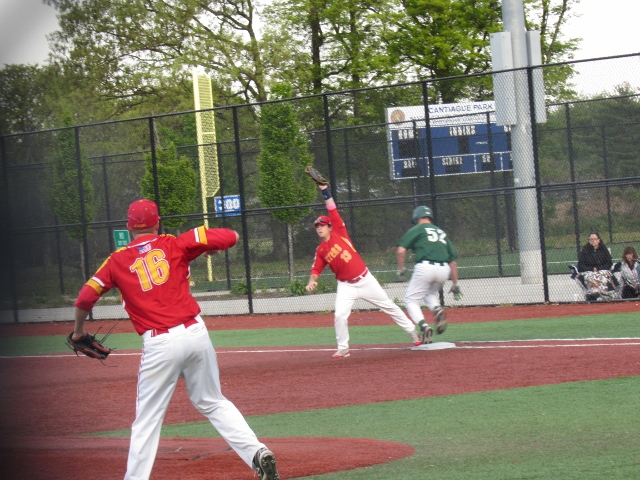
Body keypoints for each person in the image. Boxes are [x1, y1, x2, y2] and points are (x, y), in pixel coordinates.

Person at [71, 199, 280, 480]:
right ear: (158, 223)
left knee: (147, 421)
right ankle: (256, 452)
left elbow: (85, 297)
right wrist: (207, 246)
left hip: (160, 343)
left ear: (128, 227)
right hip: (196, 333)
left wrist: (78, 331)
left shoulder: (117, 260)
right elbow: (231, 236)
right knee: (212, 401)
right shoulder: (175, 243)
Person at [305, 184, 422, 358]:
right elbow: (316, 268)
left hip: (365, 280)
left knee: (389, 306)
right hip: (346, 286)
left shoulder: (339, 231)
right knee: (340, 316)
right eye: (317, 226)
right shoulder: (321, 250)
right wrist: (312, 280)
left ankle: (414, 333)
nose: (319, 228)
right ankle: (343, 348)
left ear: (330, 226)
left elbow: (332, 208)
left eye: (322, 225)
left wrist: (324, 190)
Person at [396, 206, 460, 343]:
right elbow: (453, 263)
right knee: (428, 294)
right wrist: (455, 284)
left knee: (410, 300)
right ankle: (437, 310)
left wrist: (401, 269)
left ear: (417, 217)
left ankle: (424, 327)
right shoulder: (441, 232)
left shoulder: (418, 229)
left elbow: (401, 250)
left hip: (425, 267)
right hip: (444, 270)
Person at [569, 232, 616, 301]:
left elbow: (609, 263)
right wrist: (592, 269)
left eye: (595, 239)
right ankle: (595, 293)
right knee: (591, 276)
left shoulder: (603, 249)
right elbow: (581, 265)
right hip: (588, 272)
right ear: (589, 241)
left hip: (602, 271)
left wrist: (598, 269)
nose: (593, 241)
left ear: (599, 240)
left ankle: (602, 294)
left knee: (603, 276)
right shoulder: (585, 250)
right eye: (591, 239)